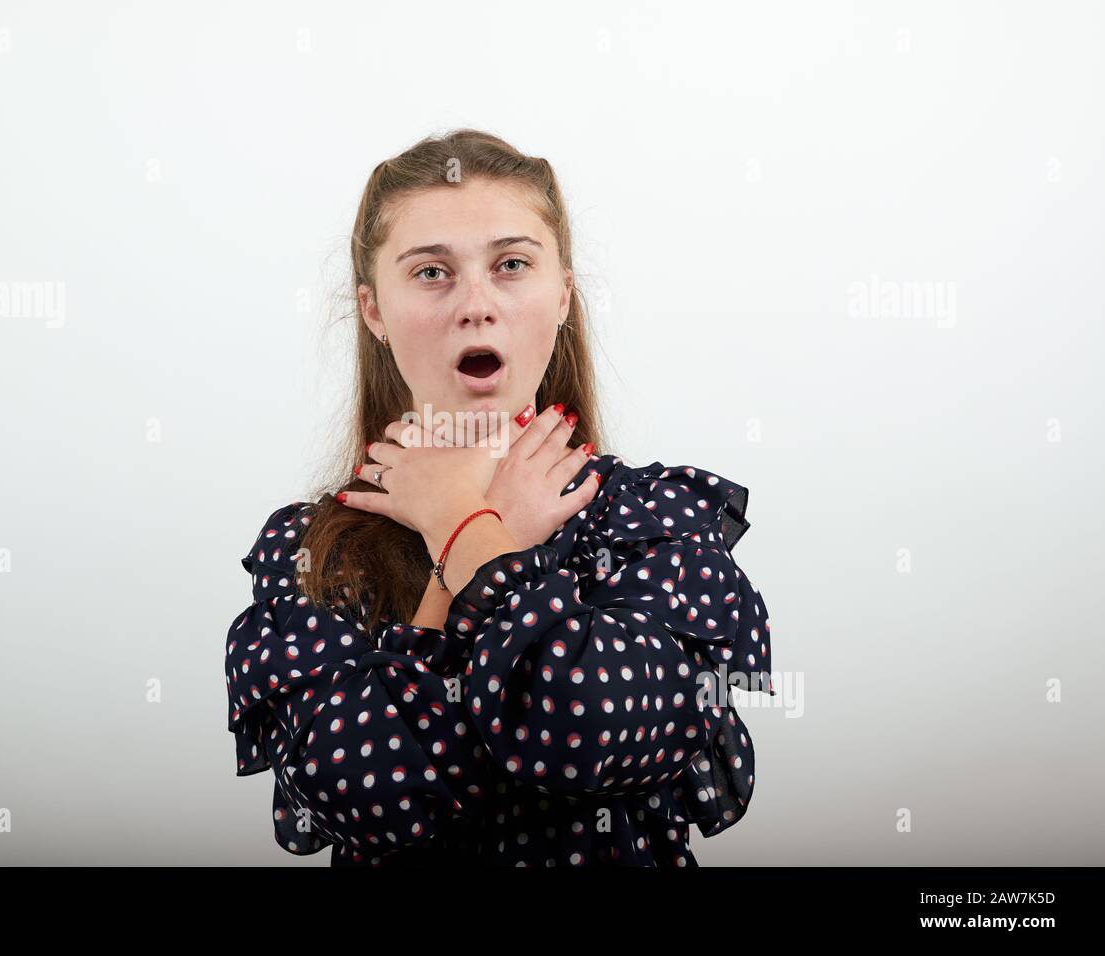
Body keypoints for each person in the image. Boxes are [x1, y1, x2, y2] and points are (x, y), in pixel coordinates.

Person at [226, 129, 774, 866]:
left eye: (512, 264)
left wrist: (463, 529)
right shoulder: (314, 551)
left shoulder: (656, 522)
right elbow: (360, 795)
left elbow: (587, 730)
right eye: (430, 273)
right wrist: (479, 543)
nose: (475, 304)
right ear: (374, 310)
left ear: (562, 296)